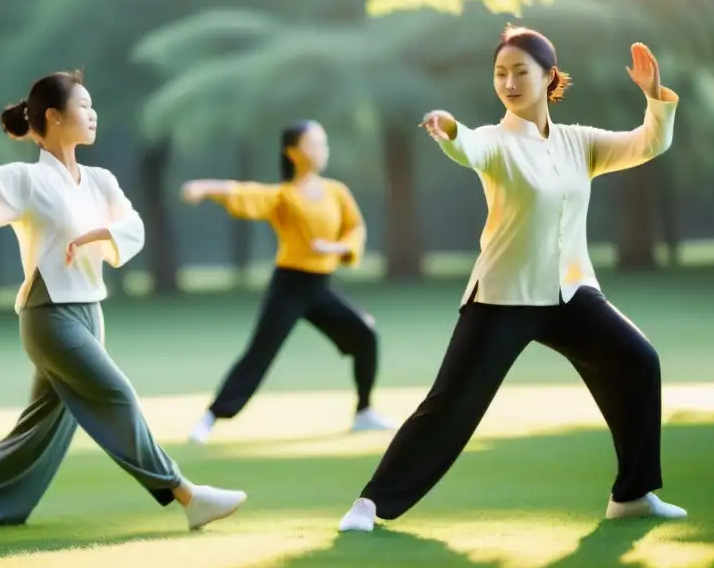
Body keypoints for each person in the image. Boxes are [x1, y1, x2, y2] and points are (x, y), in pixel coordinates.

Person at [338, 27, 688, 533]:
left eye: (520, 72)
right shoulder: (497, 142)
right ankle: (369, 505)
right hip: (504, 295)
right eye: (500, 73)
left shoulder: (578, 142)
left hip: (571, 293)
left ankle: (632, 495)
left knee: (637, 361)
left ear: (548, 77)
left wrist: (654, 95)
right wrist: (449, 129)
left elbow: (648, 143)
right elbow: (470, 148)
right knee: (452, 403)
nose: (508, 82)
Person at [0, 71, 246, 531]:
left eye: (92, 106)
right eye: (83, 106)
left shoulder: (101, 181)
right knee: (116, 395)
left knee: (42, 426)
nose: (92, 114)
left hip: (90, 311)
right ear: (53, 116)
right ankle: (188, 496)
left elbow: (133, 225)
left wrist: (103, 232)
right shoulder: (26, 180)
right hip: (50, 317)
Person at [180, 120, 395, 445]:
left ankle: (364, 411)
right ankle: (211, 416)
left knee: (365, 333)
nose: (321, 149)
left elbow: (355, 229)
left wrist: (337, 248)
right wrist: (203, 188)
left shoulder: (337, 191)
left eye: (323, 143)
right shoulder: (285, 195)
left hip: (320, 287)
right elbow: (245, 192)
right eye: (313, 143)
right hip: (289, 287)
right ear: (293, 153)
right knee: (259, 354)